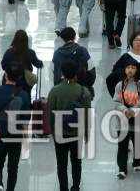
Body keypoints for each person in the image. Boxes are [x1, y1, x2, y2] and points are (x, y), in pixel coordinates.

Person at [0, 61, 33, 191]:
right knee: (13, 167)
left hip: (0, 135)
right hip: (16, 136)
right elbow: (26, 118)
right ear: (19, 77)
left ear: (5, 75)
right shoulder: (24, 95)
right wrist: (26, 137)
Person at [47, 60, 92, 191]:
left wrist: (52, 129)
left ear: (62, 73)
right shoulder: (84, 91)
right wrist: (87, 132)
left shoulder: (55, 91)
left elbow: (50, 113)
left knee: (62, 164)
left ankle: (63, 188)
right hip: (77, 132)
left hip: (60, 132)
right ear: (76, 74)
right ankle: (76, 187)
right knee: (76, 161)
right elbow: (87, 114)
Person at [111, 59, 140, 178]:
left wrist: (131, 112)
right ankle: (122, 169)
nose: (130, 70)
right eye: (128, 68)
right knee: (122, 145)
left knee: (137, 143)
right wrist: (125, 110)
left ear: (137, 69)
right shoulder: (120, 85)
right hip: (122, 120)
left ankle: (137, 162)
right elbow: (116, 101)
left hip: (136, 119)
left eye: (132, 68)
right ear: (125, 70)